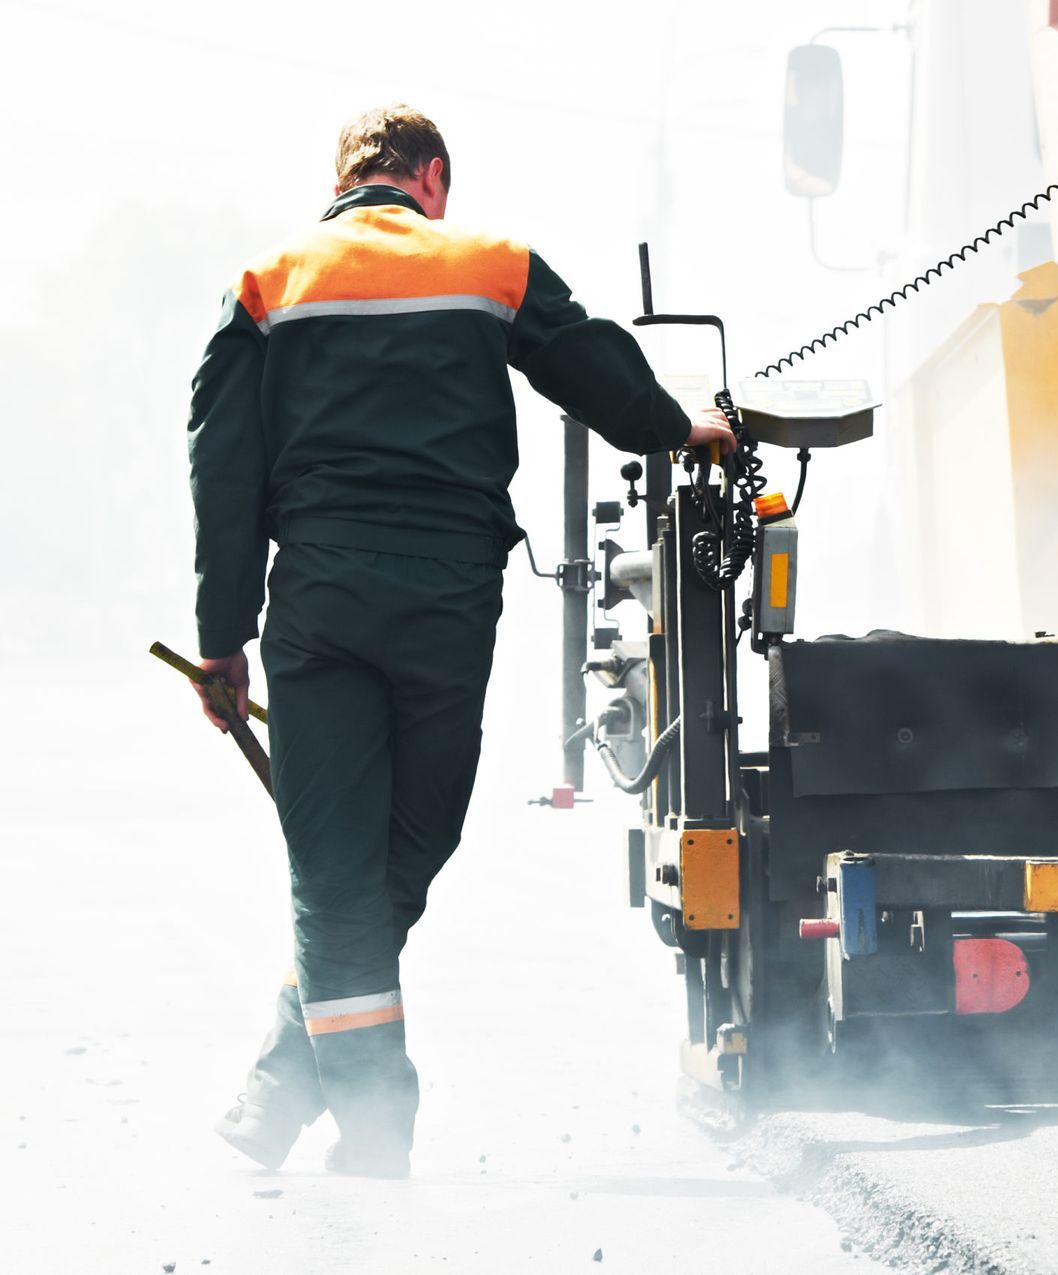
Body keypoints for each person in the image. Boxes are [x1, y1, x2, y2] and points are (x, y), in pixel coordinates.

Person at [187, 104, 736, 1179]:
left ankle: (286, 1080)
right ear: (431, 177)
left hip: (320, 609)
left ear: (343, 183)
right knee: (408, 847)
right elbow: (590, 365)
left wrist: (222, 639)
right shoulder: (490, 262)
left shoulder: (270, 281)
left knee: (339, 873)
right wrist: (680, 428)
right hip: (445, 603)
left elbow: (222, 462)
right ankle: (372, 1124)